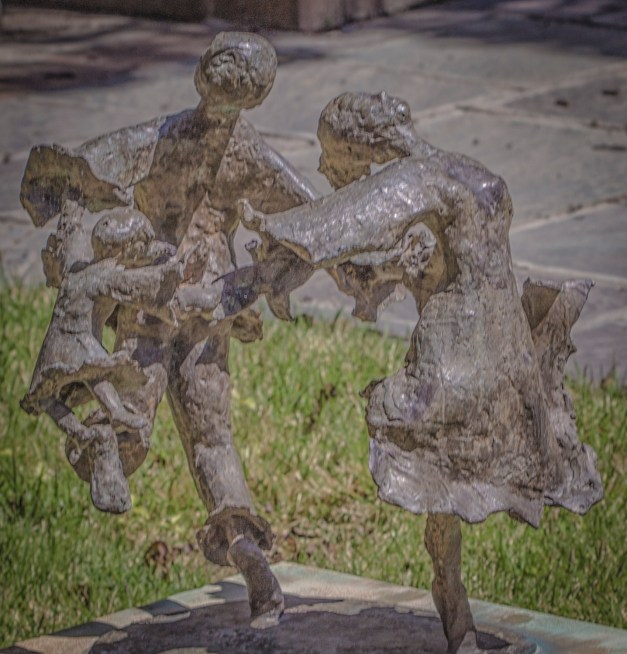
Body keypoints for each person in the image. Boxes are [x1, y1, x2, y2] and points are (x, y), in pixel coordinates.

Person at [236, 91, 603, 651]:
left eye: (334, 158)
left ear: (360, 149)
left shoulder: (419, 179)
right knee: (446, 487)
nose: (330, 171)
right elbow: (409, 252)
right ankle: (454, 607)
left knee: (437, 471)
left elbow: (340, 224)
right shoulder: (471, 173)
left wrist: (273, 227)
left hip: (459, 360)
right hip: (509, 357)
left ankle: (452, 599)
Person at [21, 32, 320, 623]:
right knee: (185, 428)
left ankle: (244, 552)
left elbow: (309, 223)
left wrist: (256, 282)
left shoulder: (193, 143)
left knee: (173, 423)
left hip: (187, 304)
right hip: (174, 299)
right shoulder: (190, 144)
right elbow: (312, 217)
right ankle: (232, 540)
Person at [22, 206, 181, 514]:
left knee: (48, 398)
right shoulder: (109, 276)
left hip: (54, 353)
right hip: (81, 347)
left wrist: (72, 211)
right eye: (141, 246)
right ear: (127, 250)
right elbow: (144, 289)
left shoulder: (80, 268)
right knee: (97, 374)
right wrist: (171, 272)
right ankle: (115, 413)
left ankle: (81, 433)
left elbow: (70, 242)